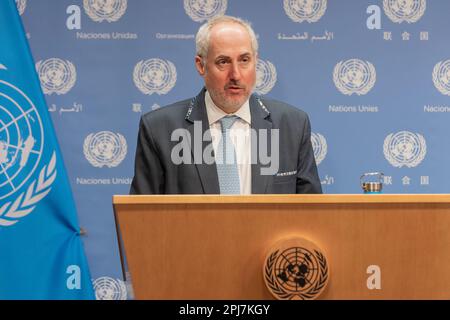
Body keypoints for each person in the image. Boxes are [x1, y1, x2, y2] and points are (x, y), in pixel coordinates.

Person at [130, 15, 322, 194]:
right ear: (201, 65)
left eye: (244, 60)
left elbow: (312, 216)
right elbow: (142, 220)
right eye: (223, 62)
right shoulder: (159, 129)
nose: (236, 75)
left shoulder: (293, 125)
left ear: (256, 61)